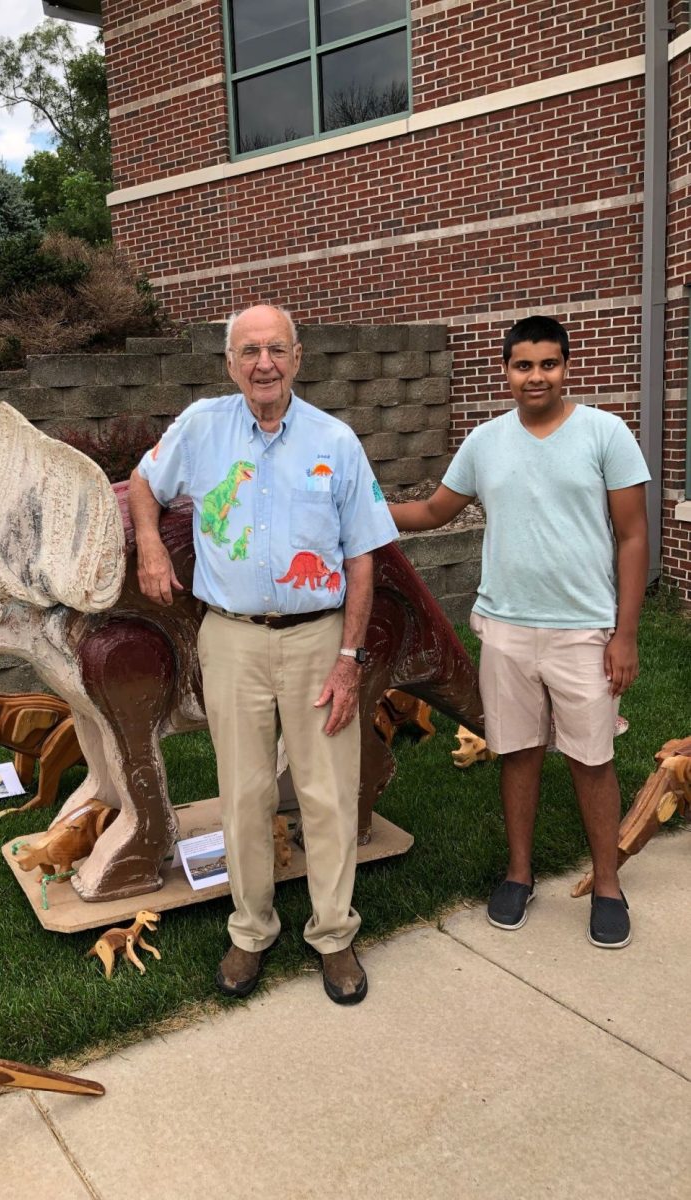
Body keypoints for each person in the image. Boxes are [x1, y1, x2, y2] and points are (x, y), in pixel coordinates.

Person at [128, 304, 398, 1003]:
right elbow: (142, 484)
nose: (263, 364)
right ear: (229, 364)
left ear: (298, 357)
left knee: (327, 794)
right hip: (233, 638)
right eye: (248, 352)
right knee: (243, 794)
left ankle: (334, 936)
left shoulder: (335, 442)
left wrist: (351, 659)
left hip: (318, 640)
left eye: (275, 349)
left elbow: (364, 557)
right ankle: (251, 931)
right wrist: (153, 547)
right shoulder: (201, 428)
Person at [390, 315, 650, 949]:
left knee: (592, 759)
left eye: (549, 364)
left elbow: (634, 535)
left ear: (567, 367)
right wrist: (357, 503)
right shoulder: (485, 441)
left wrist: (625, 635)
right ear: (505, 371)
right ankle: (518, 874)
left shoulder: (605, 434)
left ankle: (609, 884)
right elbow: (431, 512)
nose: (537, 376)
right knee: (519, 752)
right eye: (523, 365)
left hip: (584, 631)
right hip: (505, 629)